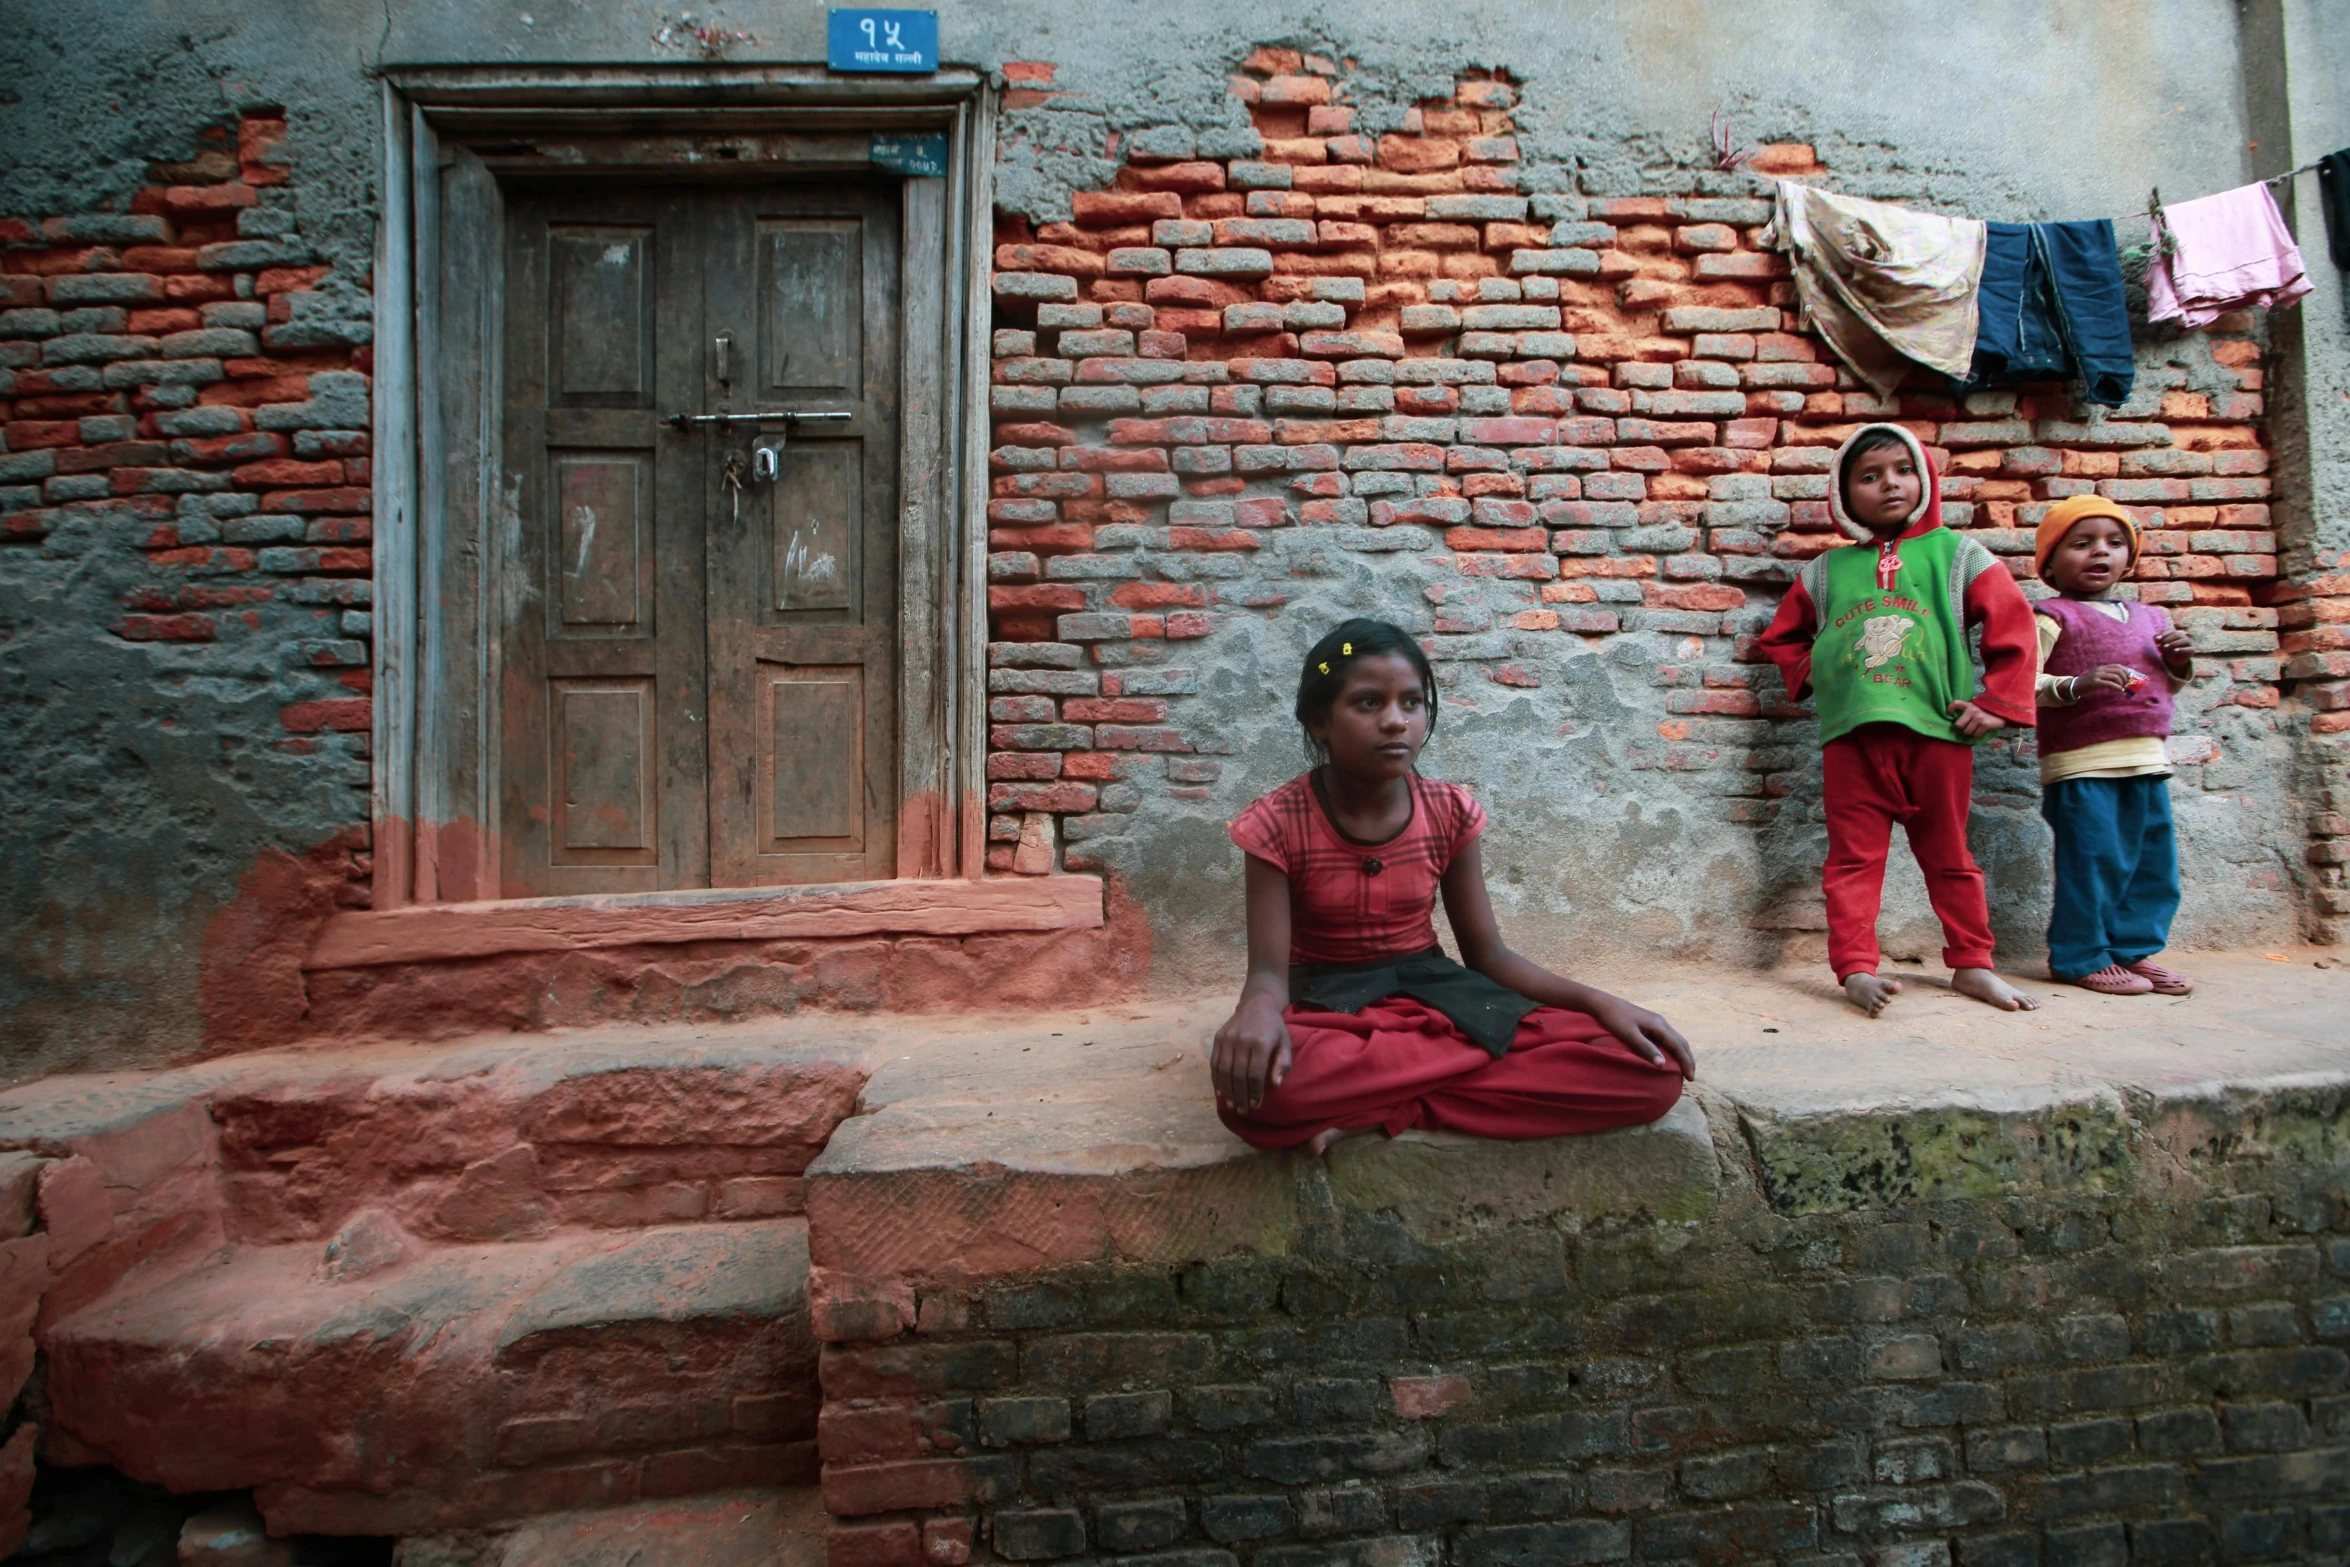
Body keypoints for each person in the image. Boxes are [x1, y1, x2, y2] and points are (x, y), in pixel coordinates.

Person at [1210, 618, 1695, 1154]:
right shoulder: (1276, 822)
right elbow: (1268, 976)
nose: (1396, 722)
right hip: (1333, 1009)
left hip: (1438, 994)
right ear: (1320, 720)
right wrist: (1253, 1013)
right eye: (1369, 703)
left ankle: (1393, 1104)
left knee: (1653, 1071)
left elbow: (1489, 956)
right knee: (1256, 1094)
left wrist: (1601, 1003)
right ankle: (1424, 1089)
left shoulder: (1450, 812)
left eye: (1412, 702)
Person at [1757, 423, 2043, 1017]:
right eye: (1869, 476)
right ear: (1843, 493)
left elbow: (2013, 624)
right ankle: (1856, 969)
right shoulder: (1827, 571)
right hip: (1852, 739)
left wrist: (1996, 702)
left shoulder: (1957, 555)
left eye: (1902, 470)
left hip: (1939, 734)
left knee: (1950, 855)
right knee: (1852, 859)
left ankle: (1972, 964)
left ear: (1924, 478)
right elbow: (1782, 638)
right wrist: (1824, 674)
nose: (1889, 483)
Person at [2030, 494, 2197, 995]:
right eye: (2081, 544)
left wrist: (2181, 664)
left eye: (2114, 543)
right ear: (2051, 564)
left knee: (2153, 867)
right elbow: (2022, 682)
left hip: (2146, 761)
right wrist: (2076, 685)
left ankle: (2132, 952)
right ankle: (2080, 956)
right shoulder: (2051, 616)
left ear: (2130, 556)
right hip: (2082, 766)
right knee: (2093, 864)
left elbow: (2168, 684)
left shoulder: (2151, 619)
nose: (2100, 553)